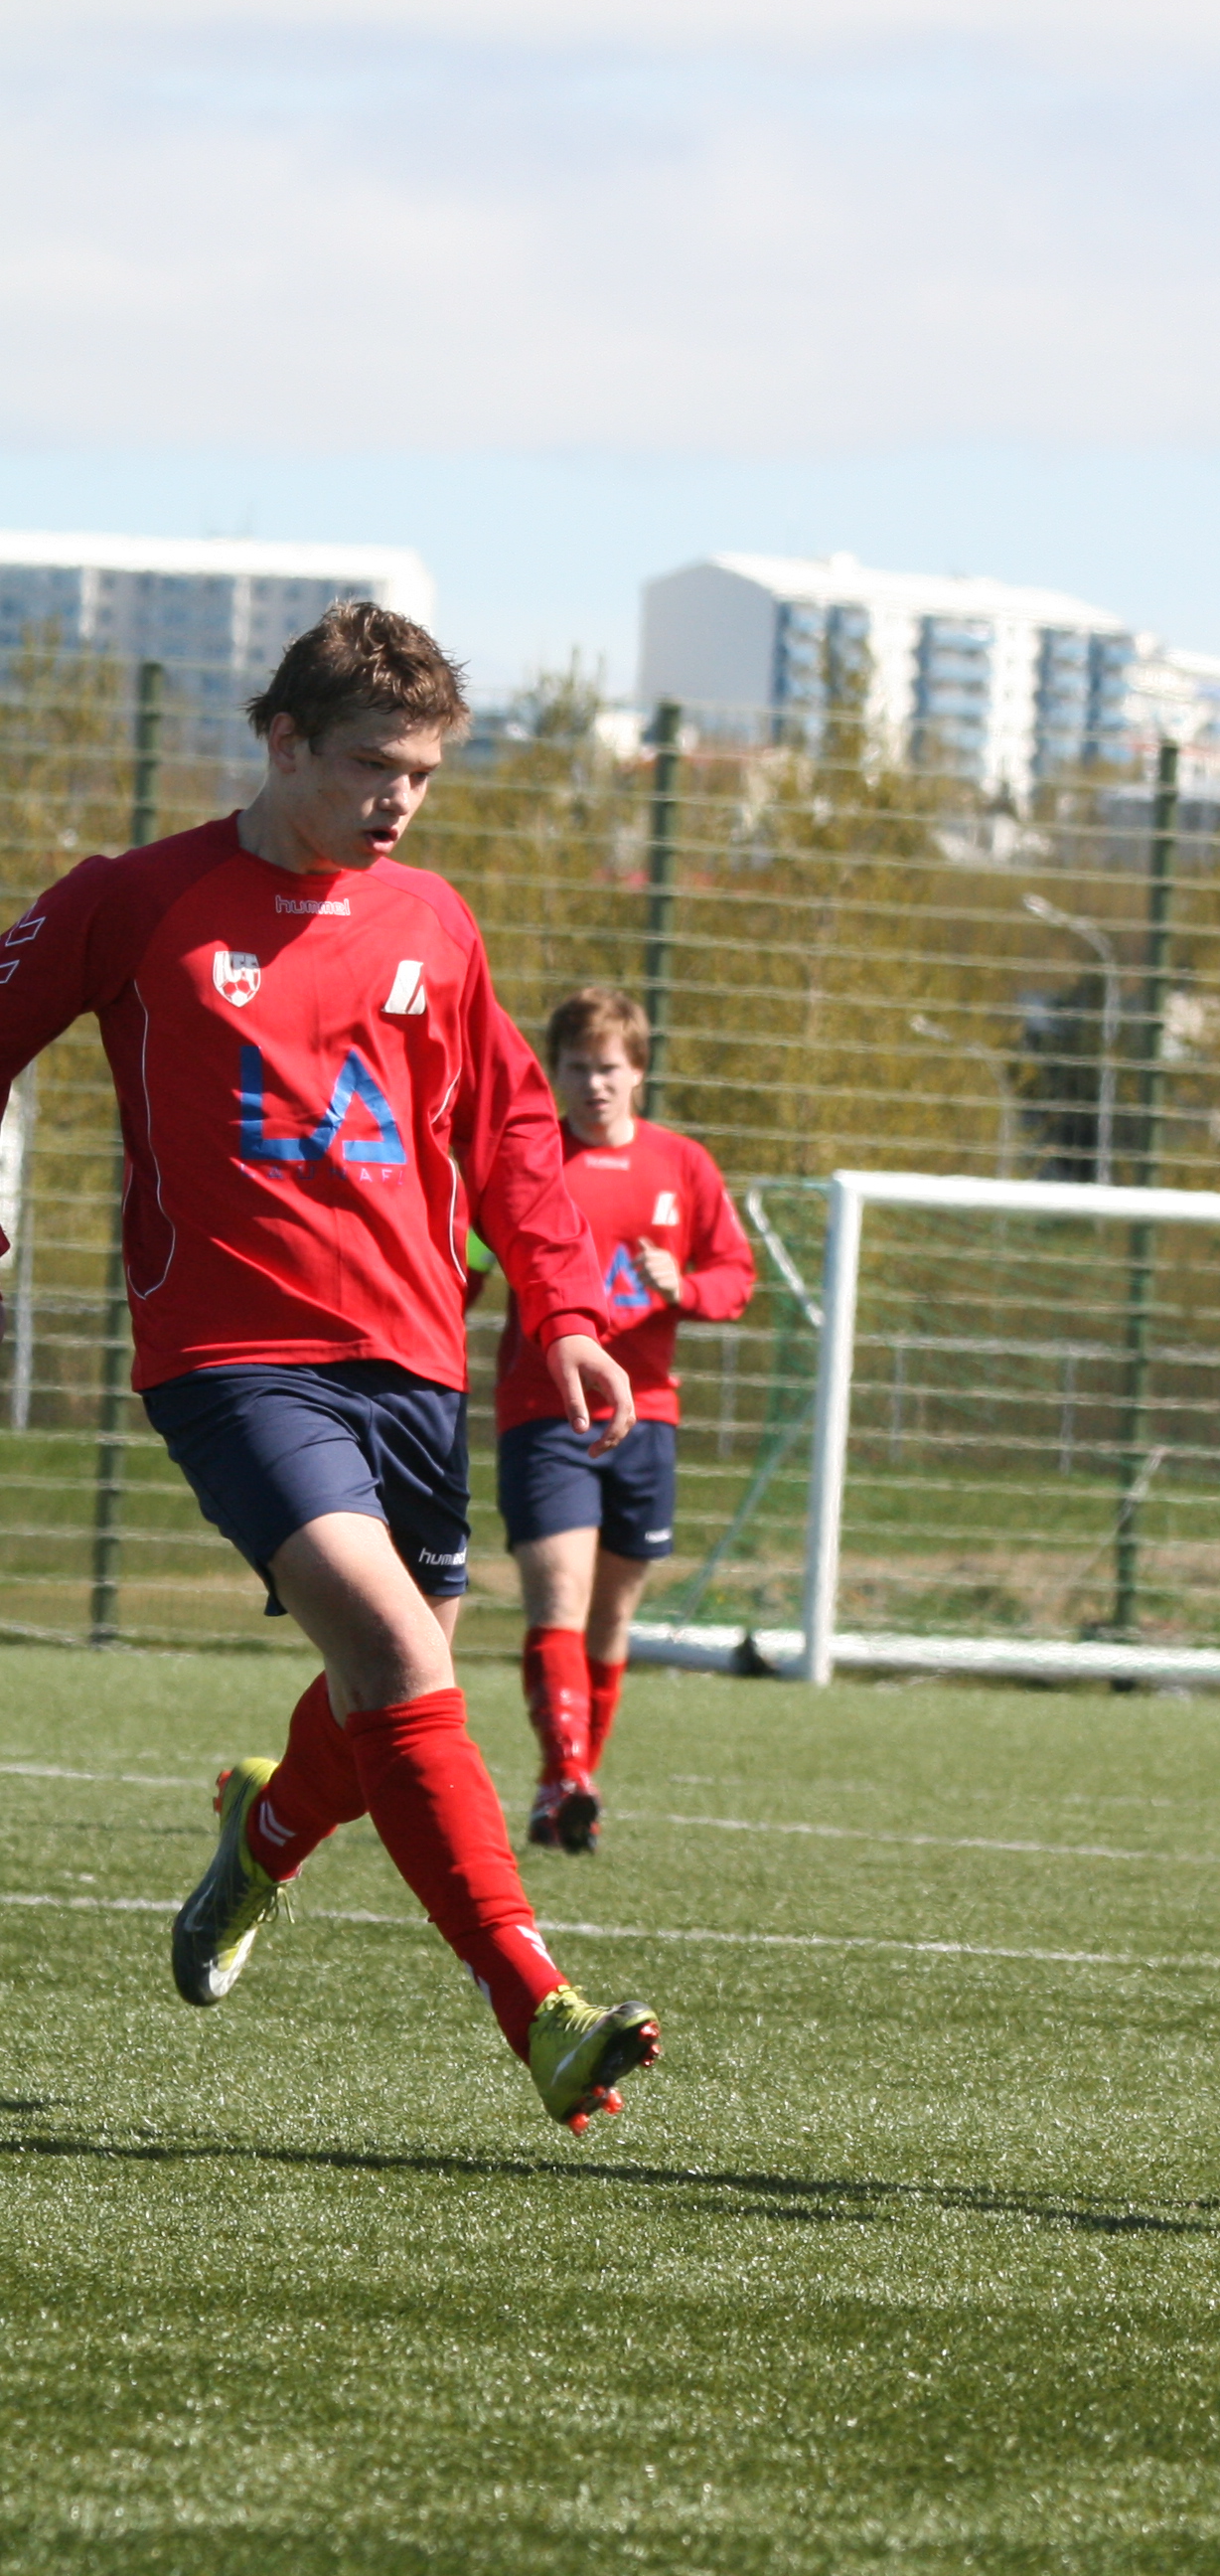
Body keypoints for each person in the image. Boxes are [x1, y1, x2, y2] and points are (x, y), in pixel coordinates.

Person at [0, 603, 664, 2133]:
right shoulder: (136, 901)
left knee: (388, 1682)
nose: (399, 800)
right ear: (284, 740)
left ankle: (265, 1830)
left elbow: (510, 1132)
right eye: (373, 765)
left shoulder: (432, 921)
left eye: (421, 773)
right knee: (400, 1658)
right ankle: (541, 2011)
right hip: (233, 1356)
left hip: (415, 1355)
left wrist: (566, 1313)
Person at [489, 984, 752, 1853]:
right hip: (548, 1411)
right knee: (558, 1596)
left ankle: (566, 1792)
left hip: (650, 1418)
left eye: (608, 1067)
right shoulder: (528, 1161)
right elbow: (467, 1256)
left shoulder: (684, 1165)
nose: (593, 1084)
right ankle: (568, 1774)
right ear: (555, 1073)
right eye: (576, 1067)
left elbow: (735, 1276)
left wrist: (687, 1288)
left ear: (637, 1071)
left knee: (610, 1619)